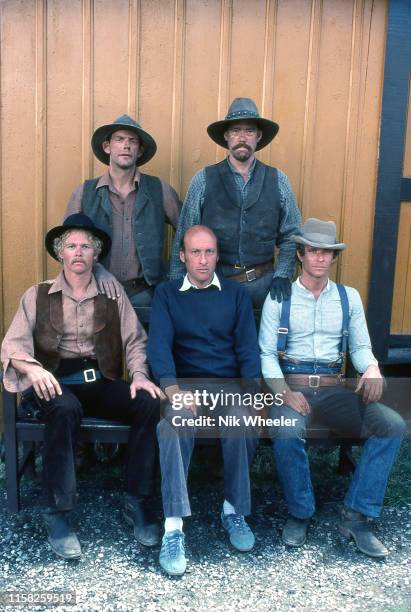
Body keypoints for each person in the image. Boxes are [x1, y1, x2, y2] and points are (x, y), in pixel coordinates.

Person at [1, 213, 163, 560]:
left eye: (86, 246)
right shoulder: (38, 294)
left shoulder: (111, 291)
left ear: (96, 254)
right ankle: (58, 514)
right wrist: (32, 370)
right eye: (71, 245)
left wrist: (138, 375)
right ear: (60, 253)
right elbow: (11, 346)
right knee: (63, 407)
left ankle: (137, 501)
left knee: (148, 403)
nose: (78, 252)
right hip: (56, 384)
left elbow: (135, 339)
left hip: (100, 381)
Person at [259, 218, 406, 558]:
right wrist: (283, 392)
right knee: (285, 431)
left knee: (392, 425)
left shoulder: (347, 298)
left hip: (334, 388)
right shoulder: (278, 298)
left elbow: (359, 347)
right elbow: (266, 353)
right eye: (313, 251)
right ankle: (301, 512)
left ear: (333, 257)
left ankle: (357, 515)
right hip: (291, 385)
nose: (320, 259)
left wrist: (370, 369)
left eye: (327, 252)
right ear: (300, 255)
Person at [148, 225, 261, 576]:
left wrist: (252, 392)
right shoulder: (168, 295)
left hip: (228, 386)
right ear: (182, 256)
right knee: (172, 427)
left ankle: (233, 510)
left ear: (217, 256)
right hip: (185, 387)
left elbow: (247, 349)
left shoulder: (236, 295)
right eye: (195, 252)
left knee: (244, 420)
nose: (202, 259)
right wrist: (173, 392)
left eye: (209, 252)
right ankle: (173, 527)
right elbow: (159, 348)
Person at [169, 97, 302, 307]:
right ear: (226, 136)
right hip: (214, 286)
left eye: (249, 131)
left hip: (265, 288)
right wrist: (179, 285)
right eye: (235, 130)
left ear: (258, 136)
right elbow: (185, 236)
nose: (242, 137)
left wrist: (283, 275)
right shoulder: (203, 179)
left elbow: (292, 235)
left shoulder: (278, 180)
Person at [66, 114, 181, 319]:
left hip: (146, 296)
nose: (126, 145)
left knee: (145, 351)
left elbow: (189, 235)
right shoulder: (85, 192)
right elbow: (66, 245)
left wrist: (173, 276)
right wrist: (97, 269)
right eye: (120, 139)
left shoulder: (159, 189)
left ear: (140, 150)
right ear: (107, 147)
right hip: (95, 294)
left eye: (132, 141)